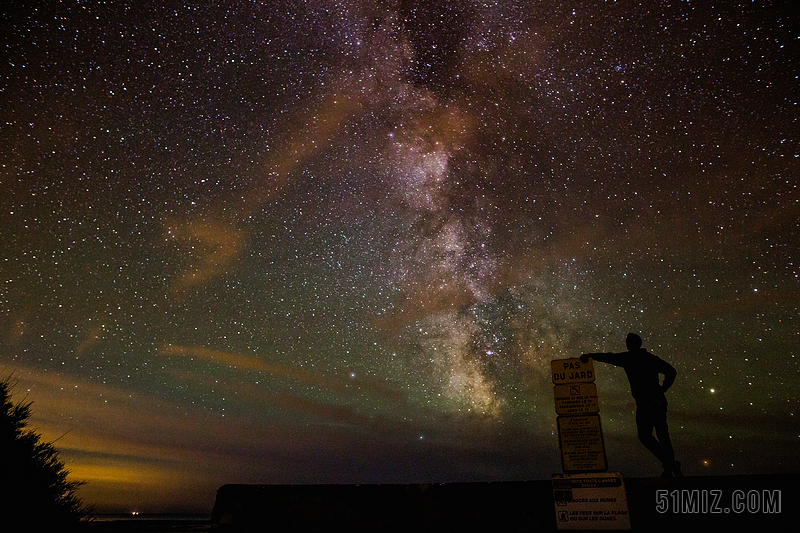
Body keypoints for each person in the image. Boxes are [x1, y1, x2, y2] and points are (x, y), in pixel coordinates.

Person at [581, 333, 683, 477]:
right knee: (662, 435)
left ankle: (670, 464)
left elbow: (610, 357)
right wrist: (663, 388)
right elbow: (671, 371)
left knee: (645, 435)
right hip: (658, 400)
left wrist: (591, 355)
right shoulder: (651, 358)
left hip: (646, 403)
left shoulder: (629, 358)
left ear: (629, 345)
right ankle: (670, 465)